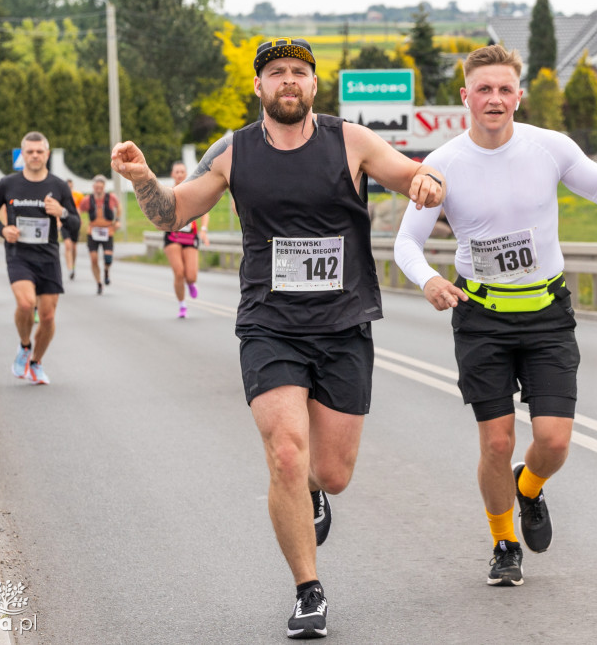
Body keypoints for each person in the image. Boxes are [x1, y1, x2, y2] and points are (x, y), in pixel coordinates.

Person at [111, 37, 444, 640]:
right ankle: (308, 590)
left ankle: (316, 491)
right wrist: (142, 179)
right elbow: (172, 215)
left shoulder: (351, 141)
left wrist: (427, 182)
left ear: (314, 86)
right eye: (276, 74)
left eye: (299, 72)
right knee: (287, 452)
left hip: (343, 325)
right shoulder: (234, 151)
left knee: (332, 471)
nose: (288, 81)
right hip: (269, 324)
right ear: (259, 88)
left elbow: (413, 175)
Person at [394, 45, 597, 587]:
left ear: (518, 95)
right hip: (481, 316)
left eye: (505, 89)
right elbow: (405, 244)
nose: (496, 99)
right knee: (497, 442)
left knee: (552, 441)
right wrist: (429, 279)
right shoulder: (443, 164)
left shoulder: (549, 148)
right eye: (484, 89)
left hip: (547, 311)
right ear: (466, 97)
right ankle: (504, 542)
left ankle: (528, 488)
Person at [0, 131, 81, 385]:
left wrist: (61, 212)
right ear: (22, 155)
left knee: (48, 317)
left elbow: (75, 224)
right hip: (19, 255)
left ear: (47, 154)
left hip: (48, 257)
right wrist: (3, 230)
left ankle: (36, 362)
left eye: (40, 151)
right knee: (26, 304)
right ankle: (25, 346)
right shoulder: (8, 184)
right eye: (30, 151)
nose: (35, 155)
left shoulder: (59, 186)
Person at [163, 161, 210, 318]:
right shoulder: (168, 192)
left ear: (186, 174)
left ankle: (190, 283)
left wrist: (203, 230)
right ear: (172, 175)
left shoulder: (193, 191)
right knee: (179, 272)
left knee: (191, 275)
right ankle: (182, 305)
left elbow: (205, 211)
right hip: (172, 236)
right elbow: (159, 211)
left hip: (190, 235)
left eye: (182, 172)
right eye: (177, 172)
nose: (180, 174)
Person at [78, 174, 121, 295]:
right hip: (93, 232)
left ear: (104, 187)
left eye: (100, 187)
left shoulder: (111, 198)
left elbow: (119, 207)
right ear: (93, 187)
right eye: (96, 187)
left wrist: (117, 220)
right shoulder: (88, 199)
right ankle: (98, 283)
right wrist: (79, 219)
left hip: (108, 231)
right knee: (93, 259)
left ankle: (106, 271)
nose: (98, 189)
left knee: (108, 258)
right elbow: (80, 209)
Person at [62, 178, 84, 279]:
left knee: (74, 247)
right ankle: (70, 268)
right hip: (64, 222)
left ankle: (73, 265)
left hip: (75, 222)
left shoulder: (78, 196)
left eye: (70, 186)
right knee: (67, 245)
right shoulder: (61, 196)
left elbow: (80, 209)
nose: (69, 188)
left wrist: (80, 219)